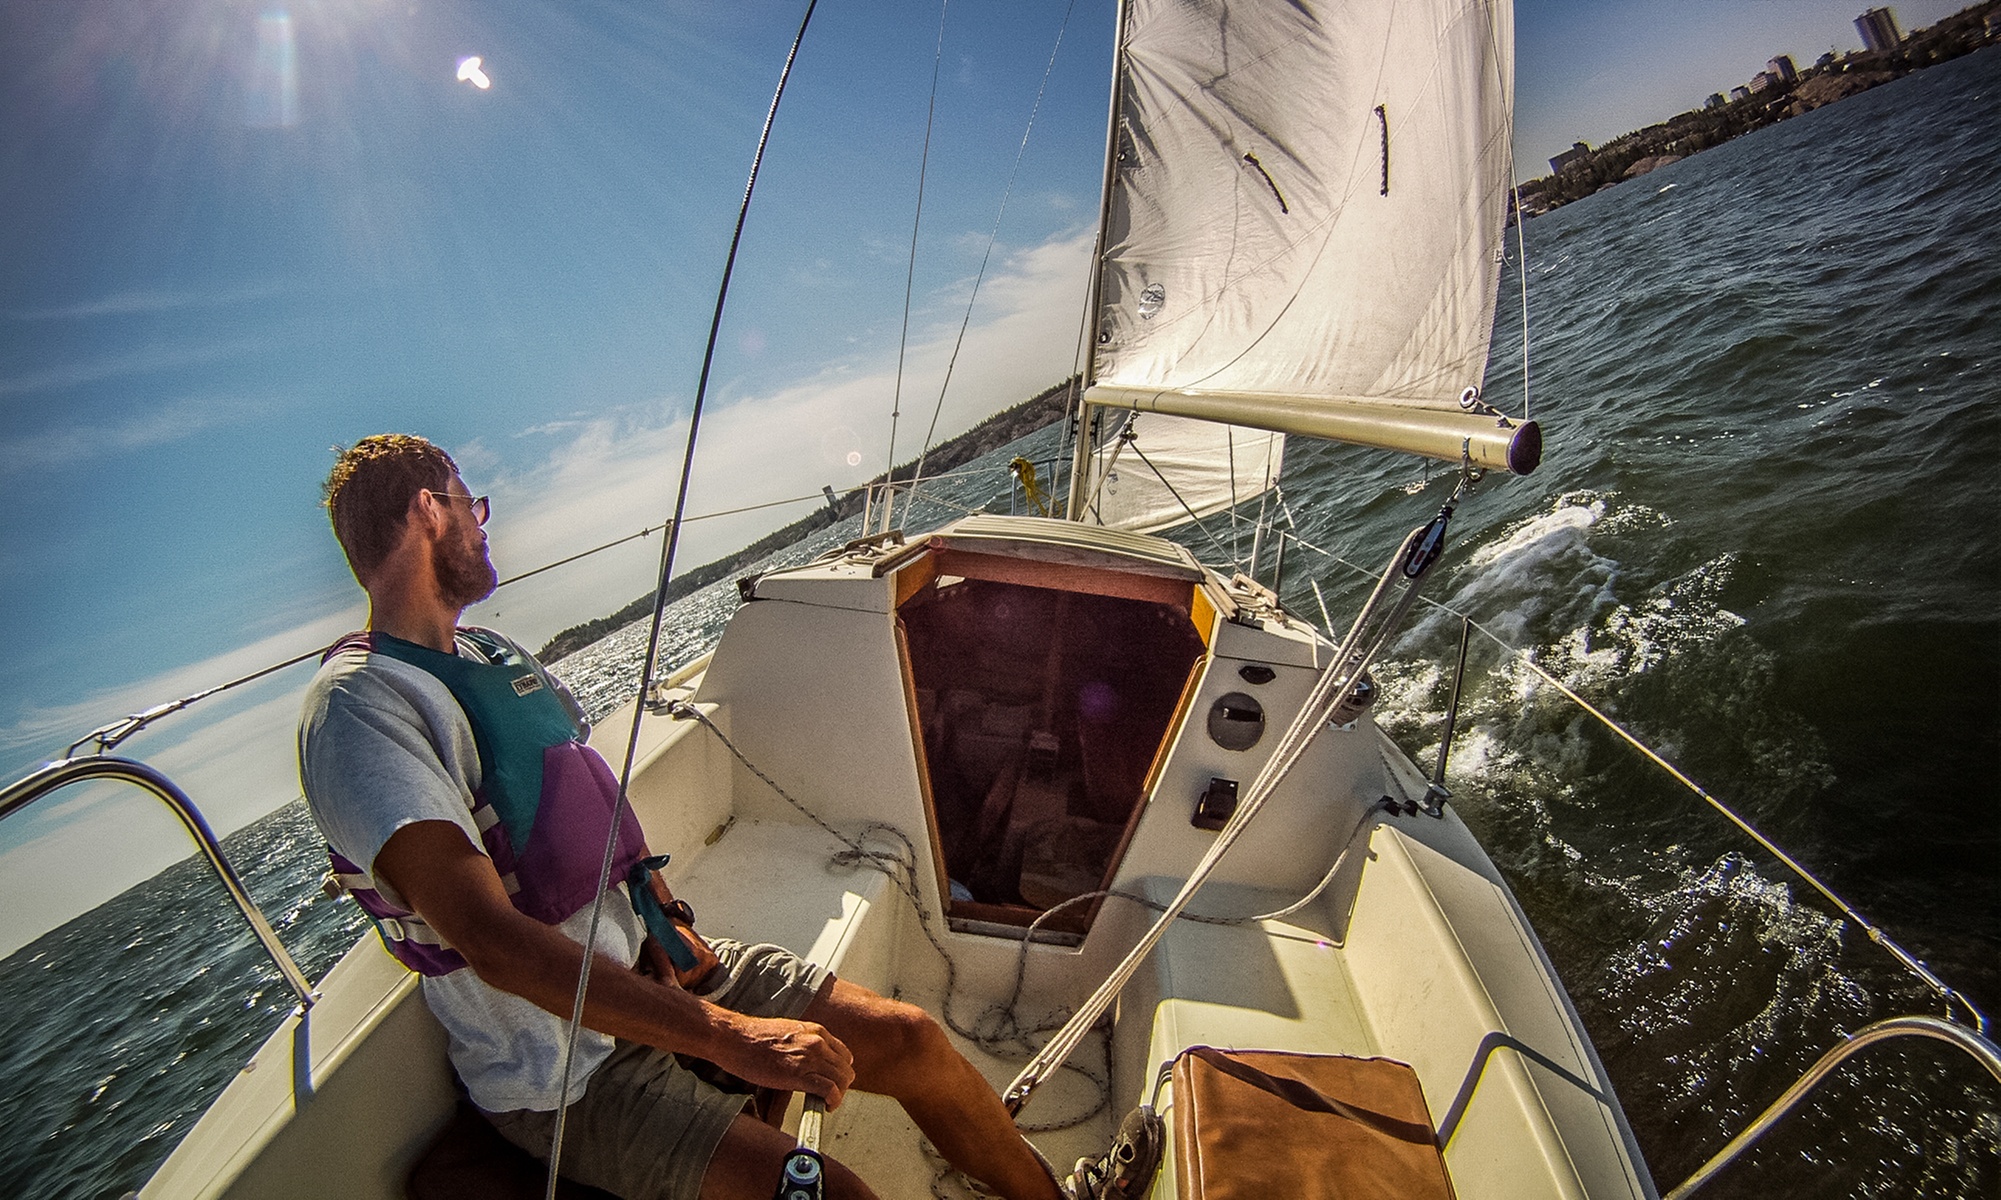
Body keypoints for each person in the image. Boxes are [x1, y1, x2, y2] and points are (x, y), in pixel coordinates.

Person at [299, 434, 1063, 1200]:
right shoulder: (359, 706)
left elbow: (585, 815)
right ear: (430, 511)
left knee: (913, 1042)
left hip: (659, 974)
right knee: (835, 1195)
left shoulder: (493, 656)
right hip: (567, 1071)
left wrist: (667, 920)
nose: (485, 525)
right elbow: (494, 944)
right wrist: (737, 1040)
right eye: (475, 506)